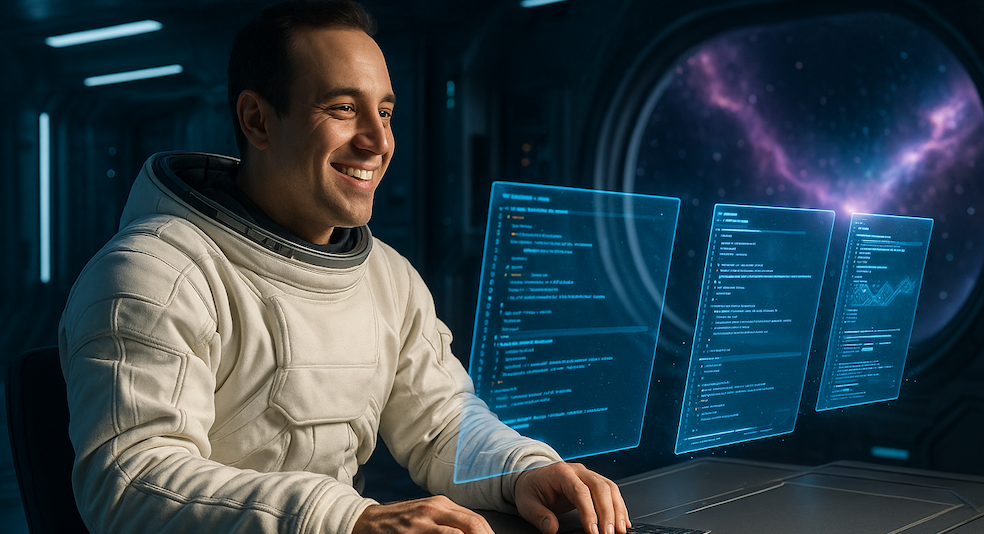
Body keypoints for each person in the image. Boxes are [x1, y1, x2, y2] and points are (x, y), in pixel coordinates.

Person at [57, 1, 631, 533]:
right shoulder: (155, 274)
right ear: (257, 120)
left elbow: (440, 421)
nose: (380, 141)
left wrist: (522, 470)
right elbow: (130, 480)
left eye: (385, 111)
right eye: (343, 108)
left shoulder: (387, 277)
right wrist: (347, 522)